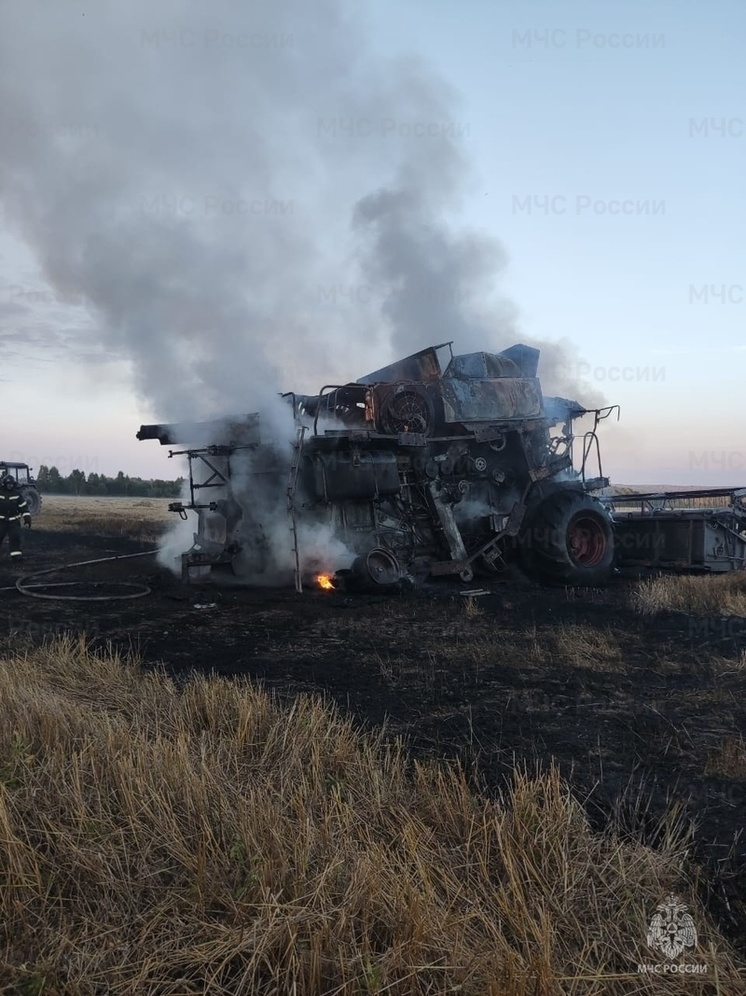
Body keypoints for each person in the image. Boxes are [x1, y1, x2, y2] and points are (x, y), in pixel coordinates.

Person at [0, 473, 32, 563]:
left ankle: (16, 556)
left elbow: (23, 506)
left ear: (13, 484)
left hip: (13, 522)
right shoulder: (0, 492)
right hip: (1, 521)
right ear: (4, 484)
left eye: (11, 484)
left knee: (15, 538)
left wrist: (27, 518)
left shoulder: (17, 494)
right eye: (8, 484)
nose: (10, 485)